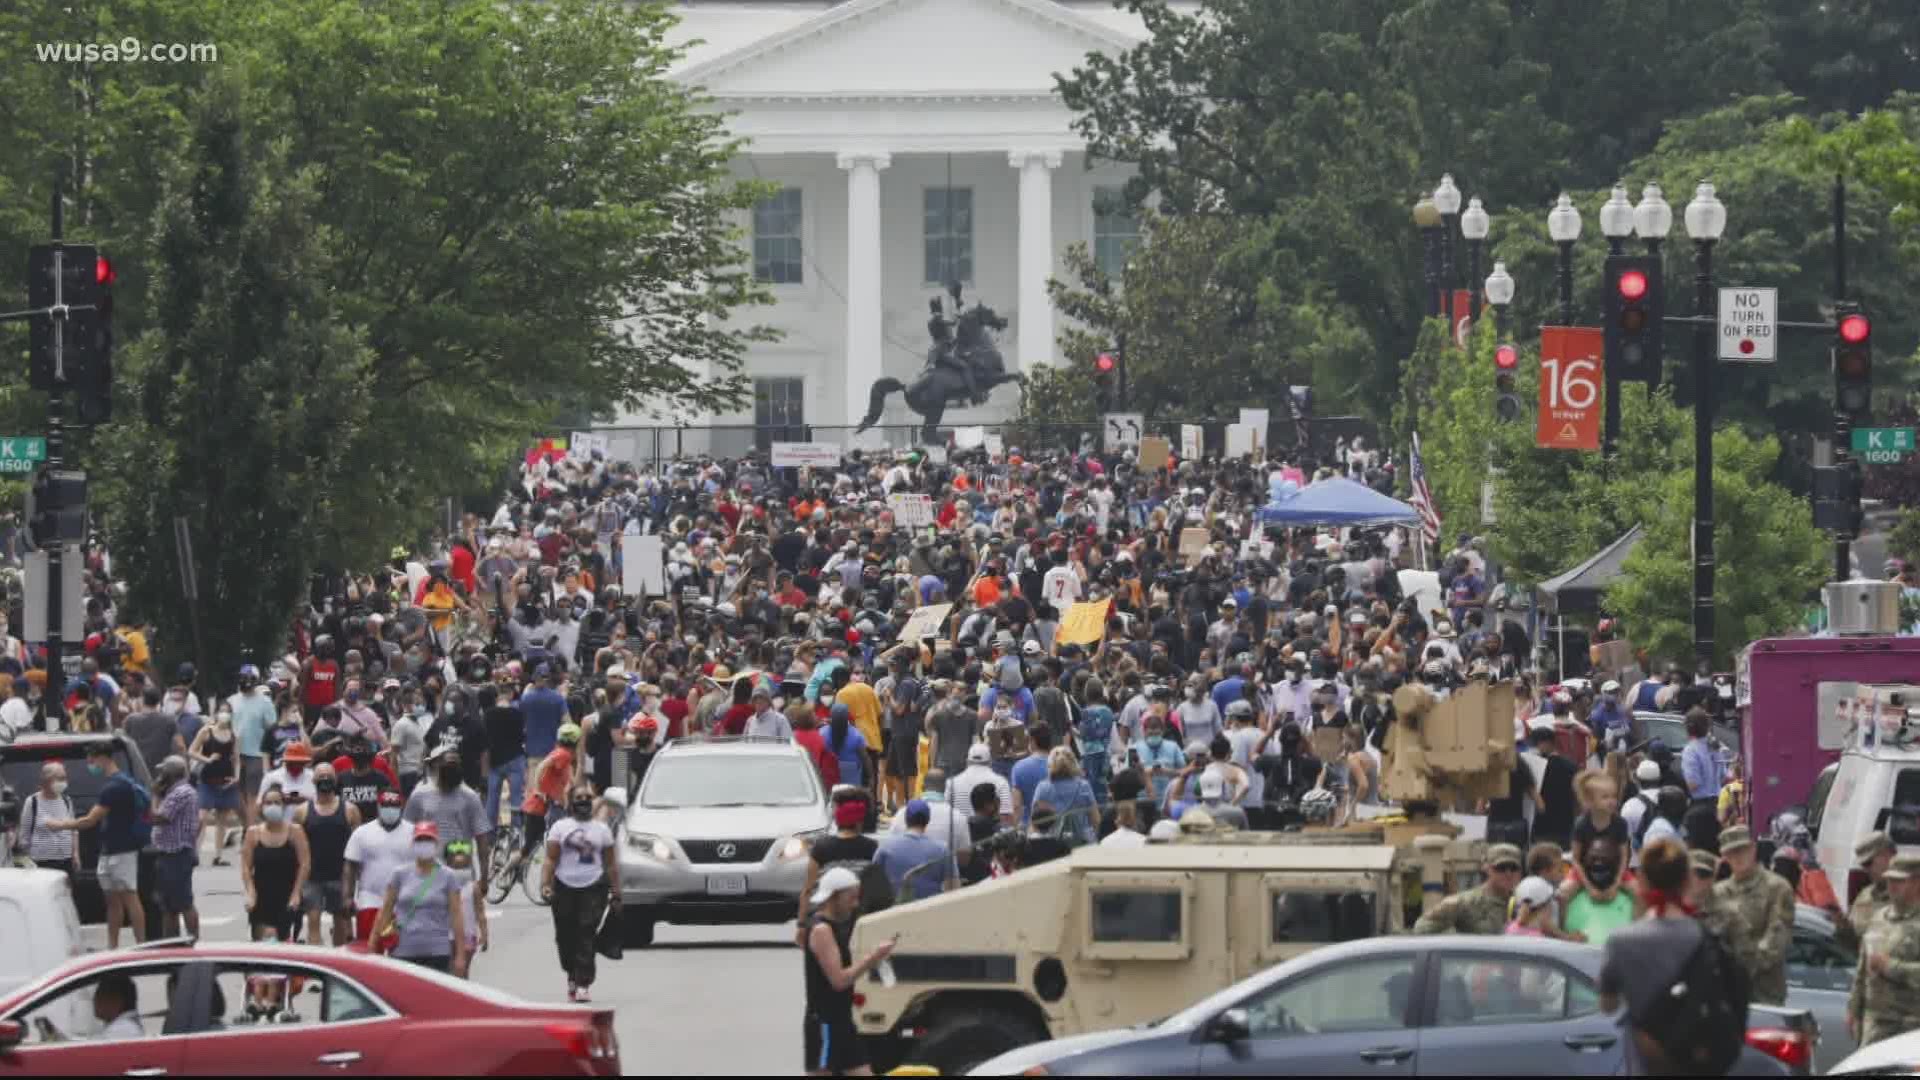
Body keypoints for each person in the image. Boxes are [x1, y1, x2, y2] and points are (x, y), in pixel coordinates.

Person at [1600, 915, 1765, 1076]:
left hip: (1652, 1060)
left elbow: (1608, 1006)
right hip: (1699, 1056)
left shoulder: (1624, 940)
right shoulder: (1708, 935)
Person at [48, 743, 147, 948]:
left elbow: (89, 820)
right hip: (109, 849)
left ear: (103, 758)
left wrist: (58, 825)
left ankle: (141, 946)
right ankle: (113, 947)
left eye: (91, 759)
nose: (89, 764)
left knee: (130, 897)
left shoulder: (115, 786)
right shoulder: (115, 783)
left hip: (123, 850)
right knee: (112, 900)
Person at [802, 866, 897, 1077]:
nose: (855, 904)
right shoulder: (821, 930)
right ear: (833, 897)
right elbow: (839, 980)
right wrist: (873, 958)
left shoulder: (840, 925)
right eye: (851, 898)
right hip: (825, 1022)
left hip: (842, 1019)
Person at [541, 782, 617, 1002]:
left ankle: (583, 983)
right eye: (579, 797)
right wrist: (546, 884)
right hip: (563, 887)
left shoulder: (602, 830)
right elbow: (550, 859)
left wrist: (617, 892)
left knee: (586, 932)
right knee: (565, 936)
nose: (584, 801)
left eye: (588, 797)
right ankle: (571, 975)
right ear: (570, 802)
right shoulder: (560, 827)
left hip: (594, 888)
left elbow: (611, 864)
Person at [1712, 825, 1796, 1005]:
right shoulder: (1718, 893)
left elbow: (1777, 938)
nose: (1738, 857)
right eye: (1732, 853)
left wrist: (1740, 970)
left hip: (1764, 992)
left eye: (1742, 850)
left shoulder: (1777, 888)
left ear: (1753, 849)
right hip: (1725, 994)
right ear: (1724, 857)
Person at [373, 821, 467, 973]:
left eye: (428, 840)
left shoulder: (448, 876)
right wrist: (374, 946)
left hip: (437, 952)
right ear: (413, 843)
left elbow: (457, 916)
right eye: (420, 840)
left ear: (436, 844)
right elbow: (384, 912)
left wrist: (460, 955)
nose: (424, 844)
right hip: (402, 952)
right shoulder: (399, 874)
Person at [1848, 852, 1920, 1049]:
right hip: (1874, 1025)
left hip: (1910, 1027)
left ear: (1917, 883)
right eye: (1890, 879)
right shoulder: (1880, 916)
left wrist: (1891, 967)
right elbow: (1863, 966)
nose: (1892, 886)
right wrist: (1853, 1009)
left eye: (1899, 881)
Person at [799, 787, 882, 937]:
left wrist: (802, 924)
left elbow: (808, 890)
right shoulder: (873, 848)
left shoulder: (821, 847)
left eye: (835, 807)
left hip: (825, 921)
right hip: (861, 922)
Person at [295, 762, 360, 947]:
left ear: (336, 779)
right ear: (313, 780)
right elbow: (298, 849)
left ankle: (338, 961)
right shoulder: (302, 812)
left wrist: (356, 876)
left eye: (329, 775)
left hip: (340, 876)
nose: (325, 780)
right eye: (321, 776)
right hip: (312, 877)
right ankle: (315, 963)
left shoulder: (350, 810)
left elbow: (358, 846)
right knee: (313, 922)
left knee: (340, 923)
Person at [404, 743, 493, 874]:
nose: (451, 768)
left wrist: (483, 879)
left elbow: (482, 839)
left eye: (455, 765)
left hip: (460, 873)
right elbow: (406, 832)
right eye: (447, 764)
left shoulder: (470, 797)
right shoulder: (419, 794)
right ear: (435, 766)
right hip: (427, 873)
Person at [343, 789, 414, 945]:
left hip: (403, 900)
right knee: (369, 946)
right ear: (378, 807)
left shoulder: (413, 833)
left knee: (400, 949)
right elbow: (350, 866)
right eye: (386, 805)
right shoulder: (362, 833)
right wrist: (348, 896)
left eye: (394, 806)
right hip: (370, 898)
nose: (390, 809)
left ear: (401, 807)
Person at [241, 784, 309, 942]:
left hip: (287, 897)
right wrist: (250, 893)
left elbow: (304, 864)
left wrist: (296, 893)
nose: (273, 806)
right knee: (261, 944)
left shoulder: (295, 831)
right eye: (268, 803)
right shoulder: (253, 833)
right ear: (262, 806)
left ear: (284, 806)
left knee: (284, 943)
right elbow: (246, 866)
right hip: (261, 896)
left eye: (277, 803)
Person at [1413, 844, 1522, 934]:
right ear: (1487, 868)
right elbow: (1422, 929)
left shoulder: (1525, 902)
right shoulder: (1466, 902)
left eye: (1513, 868)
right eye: (1501, 868)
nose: (1508, 873)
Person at [150, 755, 200, 939]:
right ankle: (171, 942)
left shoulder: (181, 793)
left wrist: (154, 794)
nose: (160, 776)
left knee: (183, 901)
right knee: (168, 905)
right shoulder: (175, 792)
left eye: (163, 772)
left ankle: (192, 938)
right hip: (168, 853)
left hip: (177, 854)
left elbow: (158, 817)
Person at [189, 704, 242, 864]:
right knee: (201, 817)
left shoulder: (233, 735)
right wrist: (207, 759)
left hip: (226, 781)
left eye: (227, 712)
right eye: (222, 711)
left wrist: (237, 776)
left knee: (222, 820)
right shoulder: (206, 731)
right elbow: (191, 751)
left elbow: (237, 759)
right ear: (217, 714)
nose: (224, 714)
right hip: (207, 779)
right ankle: (193, 853)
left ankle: (218, 856)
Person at [1562, 836, 1635, 948]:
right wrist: (1566, 937)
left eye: (1605, 858)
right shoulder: (1565, 898)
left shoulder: (1635, 899)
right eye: (1594, 858)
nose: (1599, 863)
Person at [876, 799, 955, 901]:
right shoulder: (942, 849)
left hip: (894, 911)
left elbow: (874, 881)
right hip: (930, 910)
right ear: (928, 820)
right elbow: (953, 888)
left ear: (906, 819)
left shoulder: (886, 847)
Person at [1029, 746, 1098, 845]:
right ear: (1074, 763)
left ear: (1050, 765)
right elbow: (1095, 820)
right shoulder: (1083, 785)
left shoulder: (1042, 787)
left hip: (1054, 844)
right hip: (1083, 841)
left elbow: (1034, 823)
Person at [19, 762, 75, 877]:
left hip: (66, 860)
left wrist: (75, 854)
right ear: (47, 780)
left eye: (65, 778)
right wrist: (28, 861)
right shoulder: (32, 801)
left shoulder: (66, 800)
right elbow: (24, 835)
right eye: (60, 778)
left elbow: (74, 830)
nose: (64, 782)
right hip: (42, 863)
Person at [444, 837, 488, 978]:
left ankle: (461, 993)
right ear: (448, 860)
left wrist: (484, 934)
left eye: (463, 855)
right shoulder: (443, 884)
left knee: (462, 971)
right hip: (447, 935)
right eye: (455, 855)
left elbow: (480, 912)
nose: (459, 859)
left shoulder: (473, 887)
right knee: (449, 971)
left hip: (468, 935)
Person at [1847, 831, 1897, 950]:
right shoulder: (1865, 895)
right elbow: (1852, 940)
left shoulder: (1912, 895)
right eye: (1863, 865)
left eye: (1868, 863)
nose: (1866, 869)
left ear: (1888, 856)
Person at [91, 972, 144, 1041]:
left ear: (117, 1000)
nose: (94, 1000)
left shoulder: (121, 1030)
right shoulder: (124, 1027)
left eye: (99, 994)